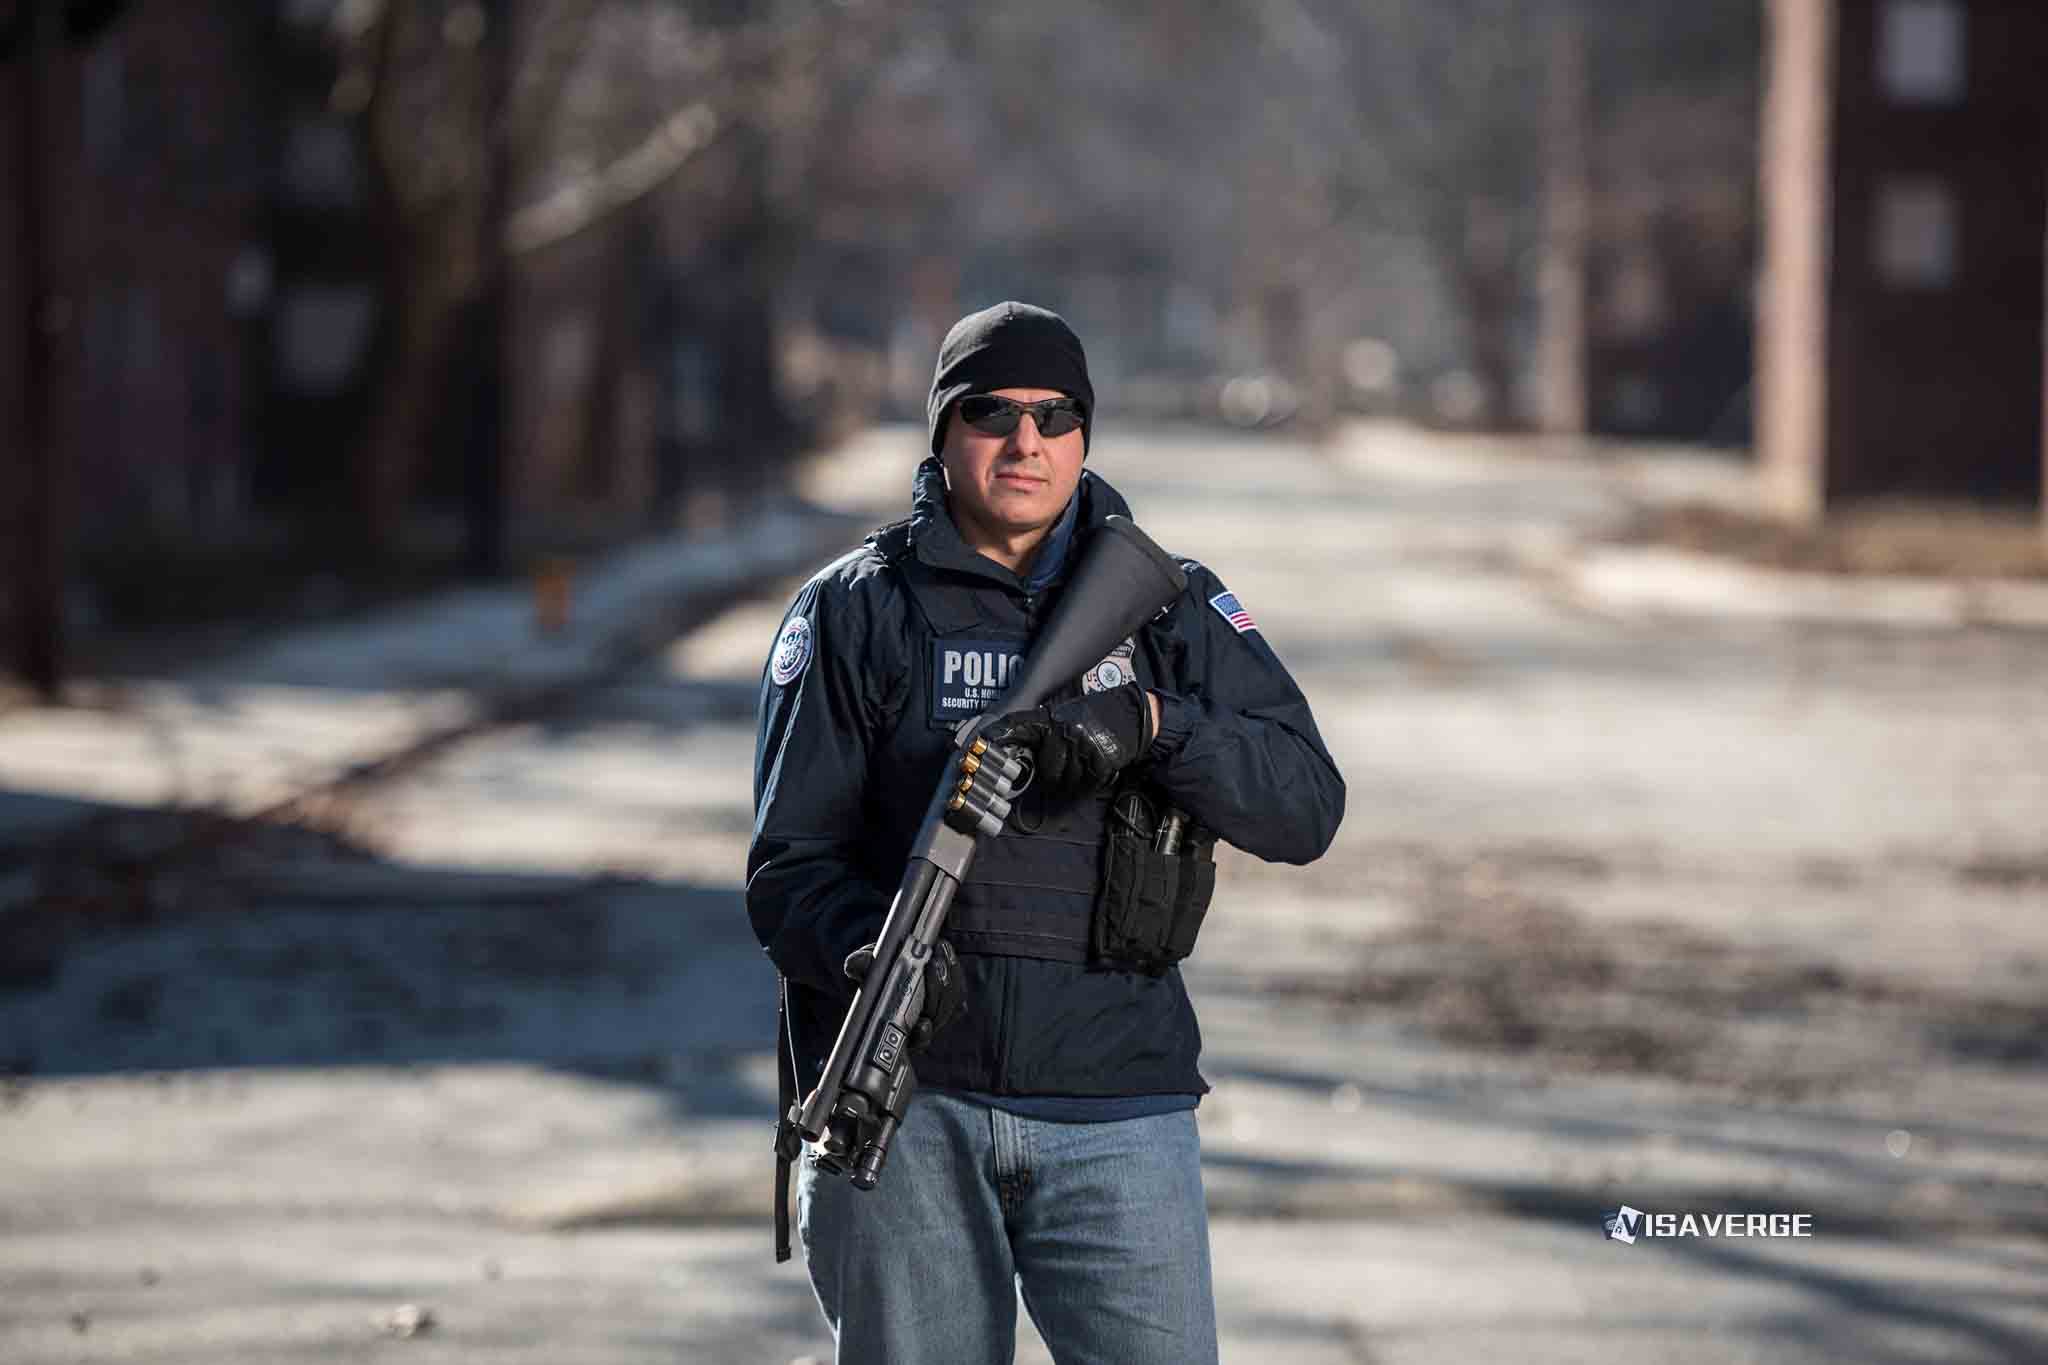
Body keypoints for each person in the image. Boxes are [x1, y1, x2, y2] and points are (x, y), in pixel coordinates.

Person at [748, 301, 1344, 1364]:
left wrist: (1152, 726)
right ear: (942, 431)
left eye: (1054, 415)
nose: (1025, 441)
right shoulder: (854, 612)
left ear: (1081, 436)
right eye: (991, 412)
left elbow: (1303, 807)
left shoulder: (1169, 611)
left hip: (1118, 1110)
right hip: (911, 1109)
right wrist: (873, 955)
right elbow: (787, 870)